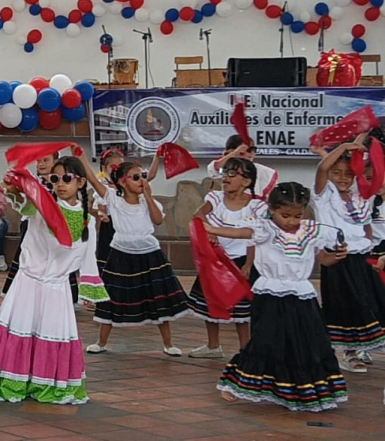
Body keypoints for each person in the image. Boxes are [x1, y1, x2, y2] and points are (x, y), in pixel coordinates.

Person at [0, 155, 107, 404]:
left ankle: (45, 383)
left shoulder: (87, 219)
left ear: (80, 183)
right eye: (55, 178)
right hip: (28, 282)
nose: (60, 183)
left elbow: (88, 255)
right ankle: (13, 382)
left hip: (57, 288)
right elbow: (23, 200)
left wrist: (89, 291)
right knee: (20, 329)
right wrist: (13, 184)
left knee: (50, 334)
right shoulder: (42, 203)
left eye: (67, 178)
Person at [205, 183, 349, 411]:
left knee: (309, 341)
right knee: (266, 339)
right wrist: (212, 230)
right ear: (271, 209)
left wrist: (337, 256)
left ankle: (299, 390)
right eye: (286, 215)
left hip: (302, 294)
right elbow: (241, 232)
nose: (292, 221)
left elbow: (324, 259)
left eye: (297, 216)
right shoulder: (265, 229)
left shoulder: (311, 231)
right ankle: (234, 384)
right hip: (271, 294)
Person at [83, 158, 188, 356]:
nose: (141, 181)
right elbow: (93, 180)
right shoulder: (113, 198)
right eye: (136, 177)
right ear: (123, 182)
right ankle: (101, 341)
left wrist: (148, 196)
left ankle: (168, 343)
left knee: (157, 296)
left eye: (143, 177)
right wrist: (81, 157)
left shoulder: (149, 201)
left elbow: (157, 220)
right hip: (121, 253)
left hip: (149, 254)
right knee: (111, 297)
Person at [312, 135, 385, 373]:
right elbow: (324, 167)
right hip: (337, 257)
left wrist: (362, 141)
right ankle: (348, 353)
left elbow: (365, 227)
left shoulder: (359, 196)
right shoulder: (325, 195)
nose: (342, 178)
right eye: (337, 173)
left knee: (368, 302)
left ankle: (362, 347)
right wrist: (343, 147)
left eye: (348, 174)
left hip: (360, 257)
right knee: (343, 305)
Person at [186, 158, 264, 358]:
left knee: (241, 311)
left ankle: (245, 348)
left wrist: (248, 263)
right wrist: (209, 231)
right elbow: (199, 213)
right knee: (210, 302)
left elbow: (254, 236)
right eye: (224, 172)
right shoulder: (216, 198)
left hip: (240, 260)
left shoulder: (255, 206)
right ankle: (213, 346)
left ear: (246, 182)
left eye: (232, 173)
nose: (225, 177)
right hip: (215, 260)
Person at [2, 151, 59, 295]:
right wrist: (13, 188)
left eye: (45, 160)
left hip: (55, 227)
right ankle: (23, 293)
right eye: (38, 161)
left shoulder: (62, 181)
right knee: (29, 258)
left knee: (55, 260)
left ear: (55, 161)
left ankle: (55, 293)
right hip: (33, 225)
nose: (41, 164)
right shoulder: (31, 180)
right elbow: (22, 203)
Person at [207, 135, 279, 198]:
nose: (251, 154)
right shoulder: (224, 169)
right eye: (246, 150)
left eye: (253, 150)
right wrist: (234, 154)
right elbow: (214, 169)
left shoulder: (264, 172)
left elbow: (271, 199)